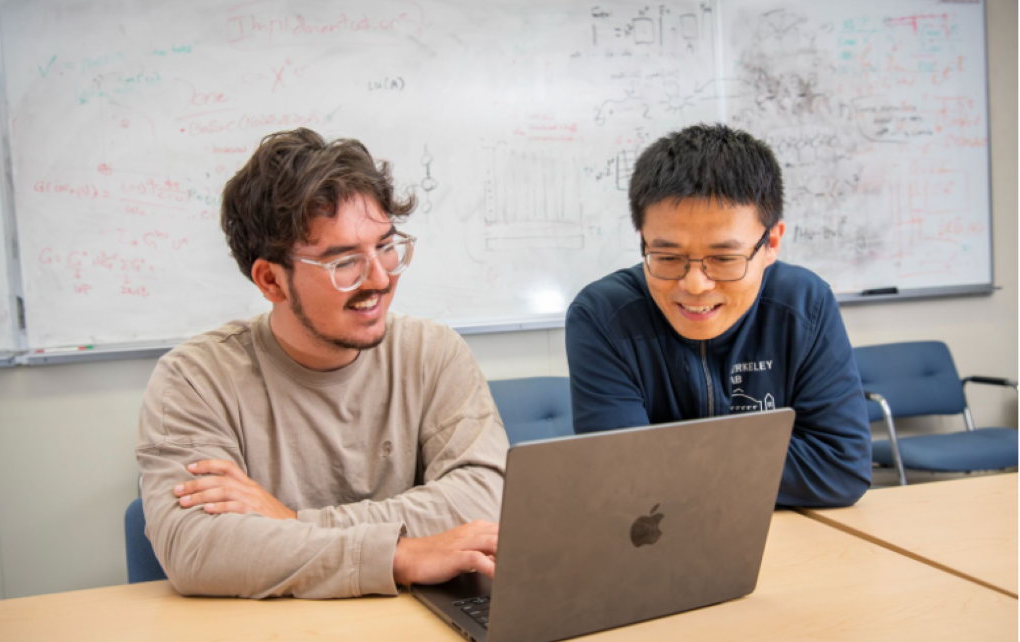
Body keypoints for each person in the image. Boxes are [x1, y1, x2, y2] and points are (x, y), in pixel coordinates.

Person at [136, 128, 507, 599]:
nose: (380, 279)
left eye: (386, 246)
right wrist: (396, 556)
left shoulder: (434, 353)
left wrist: (288, 522)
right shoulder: (194, 379)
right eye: (345, 261)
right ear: (271, 281)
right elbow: (196, 549)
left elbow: (485, 501)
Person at [565, 124, 871, 507]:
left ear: (771, 243)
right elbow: (622, 481)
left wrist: (665, 452)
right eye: (668, 257)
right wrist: (755, 459)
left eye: (724, 259)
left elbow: (841, 468)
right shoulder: (603, 315)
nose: (695, 284)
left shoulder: (804, 303)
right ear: (643, 239)